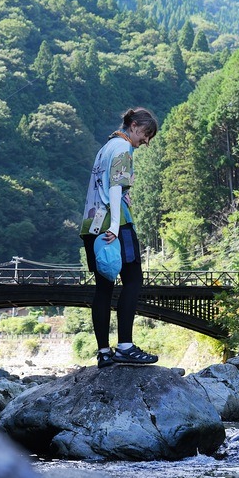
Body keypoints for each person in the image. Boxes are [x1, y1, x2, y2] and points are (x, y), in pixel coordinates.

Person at [80, 107, 160, 368]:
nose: (146, 140)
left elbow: (105, 185)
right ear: (134, 125)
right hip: (116, 226)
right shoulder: (123, 147)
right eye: (146, 134)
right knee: (133, 279)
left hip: (91, 225)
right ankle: (125, 346)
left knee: (103, 288)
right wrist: (115, 225)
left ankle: (104, 353)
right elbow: (115, 185)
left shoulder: (105, 148)